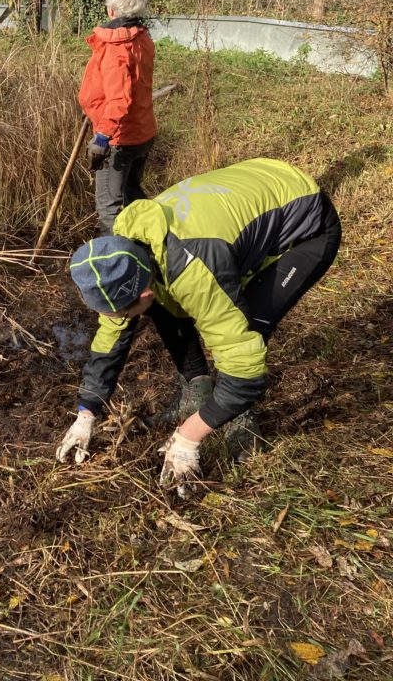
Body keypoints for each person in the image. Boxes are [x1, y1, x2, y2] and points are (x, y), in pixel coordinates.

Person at [56, 158, 341, 497]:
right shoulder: (125, 251)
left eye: (120, 311)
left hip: (306, 222)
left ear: (141, 291)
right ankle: (199, 391)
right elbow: (112, 333)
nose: (116, 319)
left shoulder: (196, 270)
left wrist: (187, 437)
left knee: (246, 324)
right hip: (256, 186)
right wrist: (87, 410)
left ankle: (238, 416)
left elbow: (245, 372)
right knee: (163, 304)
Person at [79, 0, 156, 232]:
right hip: (143, 131)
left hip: (119, 139)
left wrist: (102, 136)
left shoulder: (116, 49)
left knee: (109, 208)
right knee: (133, 198)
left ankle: (115, 264)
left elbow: (119, 99)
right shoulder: (142, 39)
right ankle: (150, 247)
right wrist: (92, 108)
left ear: (111, 9)